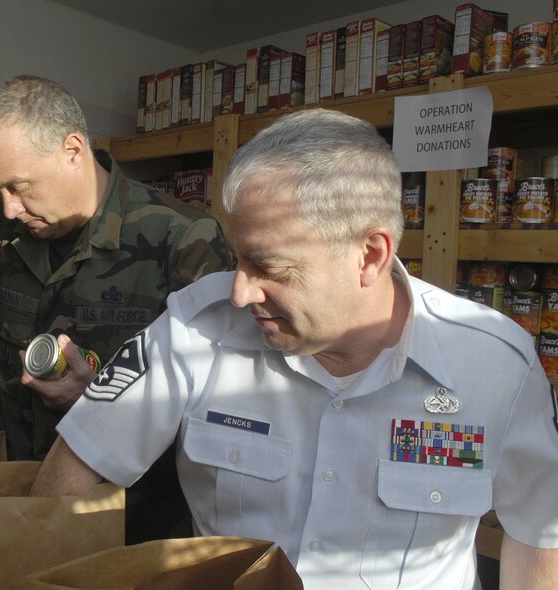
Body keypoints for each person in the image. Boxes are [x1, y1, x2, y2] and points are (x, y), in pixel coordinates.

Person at [31, 109, 558, 589]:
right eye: (238, 259)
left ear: (370, 256)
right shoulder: (197, 328)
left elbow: (540, 534)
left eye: (271, 268)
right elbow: (72, 470)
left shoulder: (495, 368)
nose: (240, 292)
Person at [0, 75, 234, 543]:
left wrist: (104, 401)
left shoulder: (182, 238)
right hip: (19, 500)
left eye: (19, 186)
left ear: (73, 150)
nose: (9, 208)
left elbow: (226, 402)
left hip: (134, 527)